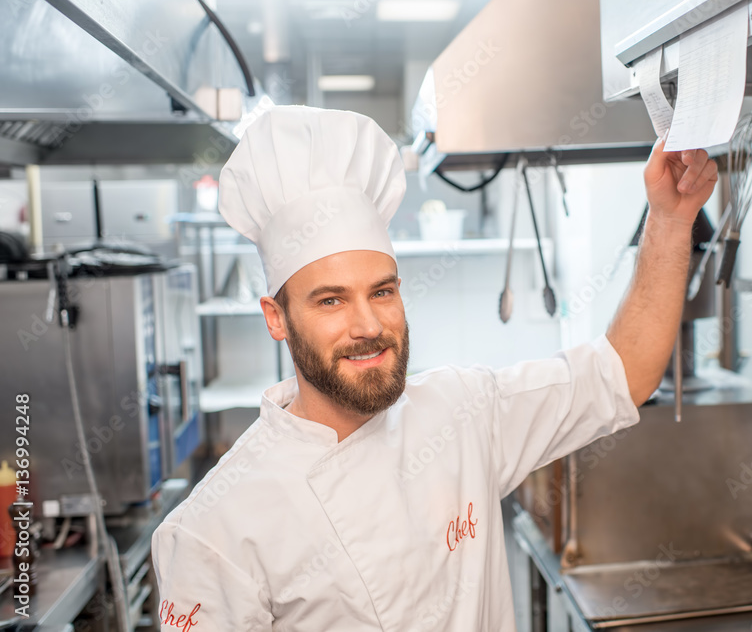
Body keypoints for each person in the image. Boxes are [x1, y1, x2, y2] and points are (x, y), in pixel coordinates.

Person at [151, 105, 716, 631]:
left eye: (383, 291)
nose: (368, 324)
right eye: (331, 300)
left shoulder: (461, 411)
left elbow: (621, 375)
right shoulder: (213, 531)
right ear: (277, 317)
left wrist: (670, 218)